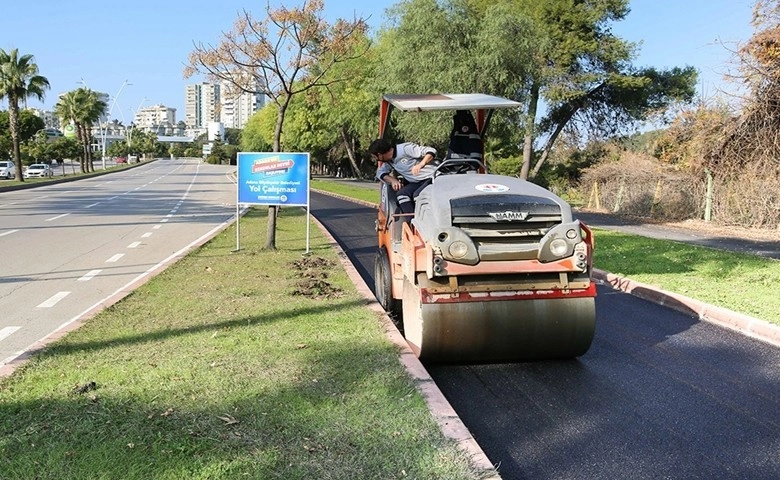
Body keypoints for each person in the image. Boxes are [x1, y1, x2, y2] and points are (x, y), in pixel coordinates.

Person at [368, 139, 437, 215]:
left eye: (375, 157)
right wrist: (393, 180)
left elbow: (431, 151)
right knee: (402, 195)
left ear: (380, 154)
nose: (376, 159)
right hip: (416, 182)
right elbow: (380, 173)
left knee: (418, 195)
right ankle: (410, 222)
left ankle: (422, 221)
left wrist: (421, 165)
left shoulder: (405, 149)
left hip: (431, 177)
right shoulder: (389, 162)